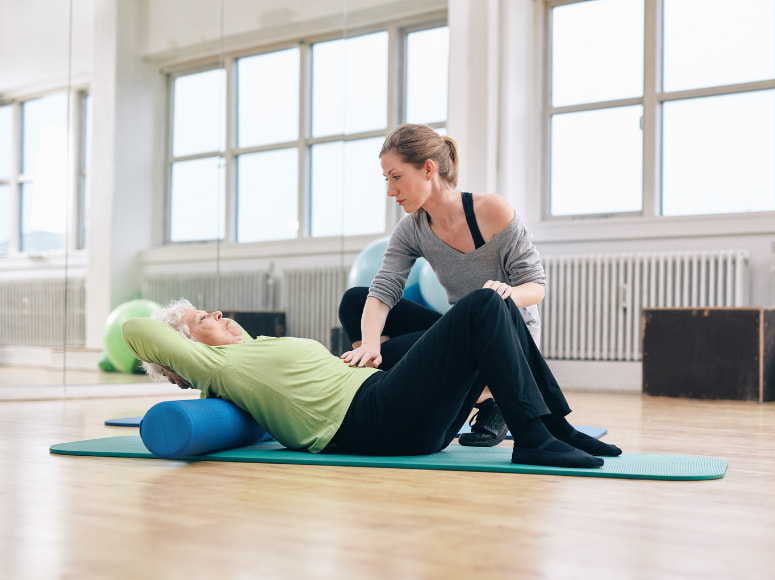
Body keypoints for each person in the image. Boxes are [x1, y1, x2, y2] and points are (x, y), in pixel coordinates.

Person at [123, 290, 622, 469]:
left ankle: (554, 426)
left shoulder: (255, 350)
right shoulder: (219, 368)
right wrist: (183, 341)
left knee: (499, 306)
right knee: (482, 305)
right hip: (372, 419)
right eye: (202, 320)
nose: (217, 312)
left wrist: (353, 359)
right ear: (188, 352)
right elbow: (135, 328)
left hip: (381, 403)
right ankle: (533, 438)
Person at [339, 123, 547, 447]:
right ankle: (410, 395)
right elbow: (384, 289)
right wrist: (369, 346)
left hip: (506, 341)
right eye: (386, 180)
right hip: (462, 333)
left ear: (428, 169)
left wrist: (509, 294)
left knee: (399, 355)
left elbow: (536, 286)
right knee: (355, 300)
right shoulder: (412, 229)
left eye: (396, 176)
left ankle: (492, 394)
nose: (390, 191)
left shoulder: (491, 211)